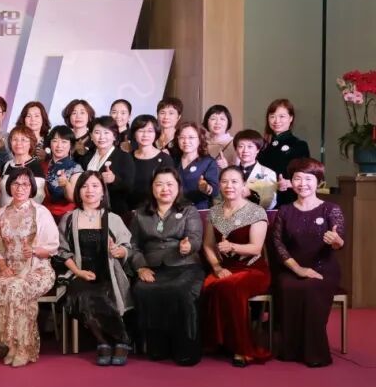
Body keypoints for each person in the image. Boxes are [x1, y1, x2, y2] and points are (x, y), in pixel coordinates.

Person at [271, 157, 345, 367]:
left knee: (311, 288)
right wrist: (298, 269)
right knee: (288, 286)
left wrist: (336, 241)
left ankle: (315, 353)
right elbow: (277, 244)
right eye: (297, 178)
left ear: (319, 182)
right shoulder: (285, 210)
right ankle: (291, 349)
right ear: (291, 181)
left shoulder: (331, 209)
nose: (303, 183)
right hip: (292, 267)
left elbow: (340, 242)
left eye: (309, 179)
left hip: (323, 267)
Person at [58, 171, 134, 366]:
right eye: (84, 186)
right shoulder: (69, 218)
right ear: (78, 191)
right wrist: (78, 272)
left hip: (108, 271)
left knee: (104, 293)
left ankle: (113, 341)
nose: (89, 190)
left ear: (102, 191)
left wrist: (118, 251)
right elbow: (62, 251)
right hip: (79, 271)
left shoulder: (113, 218)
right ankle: (110, 341)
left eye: (95, 186)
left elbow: (127, 248)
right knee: (83, 294)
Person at [129, 167, 204, 366]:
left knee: (180, 290)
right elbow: (132, 245)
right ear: (152, 188)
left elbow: (196, 238)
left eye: (170, 184)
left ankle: (185, 349)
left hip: (185, 265)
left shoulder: (189, 210)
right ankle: (157, 347)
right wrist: (140, 267)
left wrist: (188, 246)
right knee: (142, 289)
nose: (165, 189)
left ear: (178, 187)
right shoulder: (140, 214)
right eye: (159, 184)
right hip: (152, 267)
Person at [201, 166, 271, 367]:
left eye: (234, 182)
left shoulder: (256, 211)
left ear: (243, 185)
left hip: (253, 269)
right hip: (225, 267)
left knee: (231, 287)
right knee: (206, 286)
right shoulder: (214, 211)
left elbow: (256, 248)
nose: (229, 186)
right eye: (224, 181)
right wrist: (217, 267)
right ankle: (219, 341)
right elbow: (208, 245)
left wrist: (233, 246)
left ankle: (242, 348)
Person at [0, 167, 57, 367]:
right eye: (16, 183)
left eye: (25, 184)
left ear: (32, 188)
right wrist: (2, 266)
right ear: (9, 186)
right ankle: (9, 344)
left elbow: (53, 248)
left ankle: (23, 347)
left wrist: (35, 250)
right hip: (10, 269)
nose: (20, 188)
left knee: (17, 289)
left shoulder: (41, 212)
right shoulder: (2, 212)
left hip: (38, 270)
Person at [258, 98, 310, 207]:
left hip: (289, 200)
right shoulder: (262, 146)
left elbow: (307, 176)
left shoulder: (299, 145)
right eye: (272, 116)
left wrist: (289, 183)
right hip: (262, 201)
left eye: (282, 116)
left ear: (291, 118)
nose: (276, 121)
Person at [82, 116, 135, 217]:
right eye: (97, 132)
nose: (102, 137)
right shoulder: (86, 157)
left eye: (106, 132)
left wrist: (114, 180)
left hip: (114, 212)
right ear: (91, 136)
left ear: (114, 136)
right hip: (88, 210)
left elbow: (129, 188)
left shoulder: (124, 157)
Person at [127, 114, 174, 212]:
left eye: (150, 131)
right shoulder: (127, 158)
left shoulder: (165, 159)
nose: (145, 135)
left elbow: (169, 188)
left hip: (155, 211)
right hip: (130, 210)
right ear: (134, 134)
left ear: (156, 133)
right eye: (141, 131)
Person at [42, 125, 82, 221]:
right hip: (42, 214)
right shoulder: (42, 165)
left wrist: (66, 184)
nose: (59, 146)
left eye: (64, 142)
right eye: (55, 141)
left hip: (64, 217)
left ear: (71, 145)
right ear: (50, 143)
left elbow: (74, 198)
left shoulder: (75, 168)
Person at [176, 121, 219, 210]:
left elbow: (215, 190)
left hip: (199, 210)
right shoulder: (173, 160)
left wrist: (206, 188)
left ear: (200, 139)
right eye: (182, 137)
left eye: (191, 137)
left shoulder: (208, 162)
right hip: (176, 210)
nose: (186, 141)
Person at [0, 125, 45, 207]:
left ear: (31, 143)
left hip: (26, 213)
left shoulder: (36, 166)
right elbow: (0, 192)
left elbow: (38, 197)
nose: (18, 143)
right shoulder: (6, 165)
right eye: (15, 139)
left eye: (23, 140)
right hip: (3, 211)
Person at [234, 130, 278, 209]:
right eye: (241, 146)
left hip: (256, 215)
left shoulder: (268, 173)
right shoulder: (230, 172)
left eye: (250, 146)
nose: (245, 150)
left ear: (257, 149)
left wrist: (251, 194)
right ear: (236, 150)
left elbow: (271, 203)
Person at [62, 99, 95, 164]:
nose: (78, 116)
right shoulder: (63, 137)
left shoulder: (94, 141)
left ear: (89, 117)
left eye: (82, 113)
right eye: (74, 113)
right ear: (69, 117)